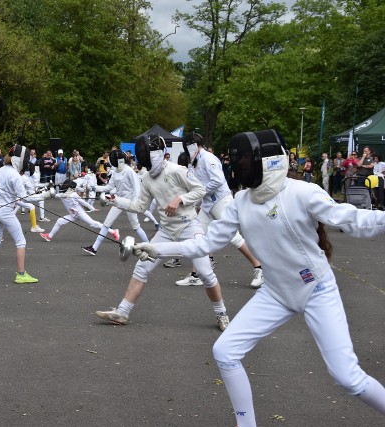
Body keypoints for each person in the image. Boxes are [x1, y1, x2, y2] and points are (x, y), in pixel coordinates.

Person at [130, 129, 385, 427]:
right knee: (224, 351)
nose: (241, 167)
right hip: (275, 293)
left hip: (316, 289)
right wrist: (158, 248)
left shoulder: (301, 192)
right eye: (239, 162)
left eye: (247, 161)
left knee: (347, 377)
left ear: (268, 161)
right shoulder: (241, 202)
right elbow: (205, 244)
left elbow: (356, 221)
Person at [95, 133, 230, 331]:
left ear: (156, 153)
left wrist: (180, 199)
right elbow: (140, 206)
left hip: (189, 227)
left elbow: (200, 190)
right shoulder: (148, 179)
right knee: (141, 268)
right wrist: (115, 200)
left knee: (205, 273)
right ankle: (122, 312)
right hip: (166, 230)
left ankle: (222, 314)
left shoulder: (177, 170)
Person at [175, 132, 264, 289]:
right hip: (208, 204)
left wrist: (200, 193)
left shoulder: (208, 158)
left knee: (234, 237)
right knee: (198, 237)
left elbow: (217, 180)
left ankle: (259, 268)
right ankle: (198, 275)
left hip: (221, 201)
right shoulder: (193, 161)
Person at [0, 144, 44, 284]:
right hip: (6, 212)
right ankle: (21, 274)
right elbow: (25, 198)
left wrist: (6, 197)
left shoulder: (1, 170)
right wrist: (45, 195)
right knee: (21, 242)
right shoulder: (15, 176)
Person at [81, 149, 146, 256]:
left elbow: (137, 189)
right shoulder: (115, 171)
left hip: (129, 203)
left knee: (136, 226)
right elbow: (109, 186)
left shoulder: (129, 171)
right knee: (106, 224)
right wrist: (94, 188)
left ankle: (149, 246)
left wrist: (134, 204)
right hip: (118, 201)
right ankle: (94, 248)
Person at [40, 179, 117, 243]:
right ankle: (49, 236)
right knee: (60, 221)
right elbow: (52, 195)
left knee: (93, 224)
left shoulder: (73, 194)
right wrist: (45, 190)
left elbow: (83, 202)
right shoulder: (61, 195)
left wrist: (92, 208)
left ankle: (113, 232)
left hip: (79, 213)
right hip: (73, 215)